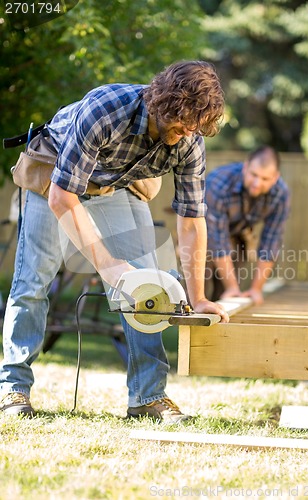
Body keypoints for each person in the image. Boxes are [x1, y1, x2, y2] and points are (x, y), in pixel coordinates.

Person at [0, 60, 229, 421]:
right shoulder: (106, 109)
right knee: (32, 280)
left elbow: (191, 220)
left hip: (113, 184)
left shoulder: (189, 140)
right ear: (161, 103)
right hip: (54, 176)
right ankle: (13, 388)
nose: (187, 132)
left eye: (195, 126)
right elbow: (64, 198)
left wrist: (198, 297)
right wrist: (107, 265)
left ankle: (147, 397)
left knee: (148, 290)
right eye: (181, 122)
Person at [205, 146, 290, 305]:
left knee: (227, 295)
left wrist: (256, 289)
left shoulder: (281, 194)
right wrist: (231, 286)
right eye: (254, 175)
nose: (257, 183)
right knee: (200, 277)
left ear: (275, 177)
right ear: (246, 167)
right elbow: (217, 240)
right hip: (204, 232)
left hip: (237, 235)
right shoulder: (219, 183)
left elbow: (271, 242)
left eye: (265, 179)